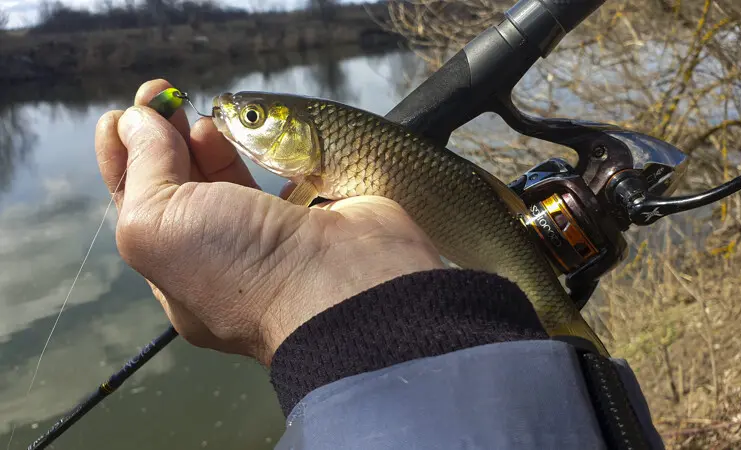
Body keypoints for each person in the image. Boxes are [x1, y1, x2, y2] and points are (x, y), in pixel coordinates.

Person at [95, 79, 665, 450]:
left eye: (250, 117)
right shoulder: (315, 172)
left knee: (548, 309)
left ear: (307, 140)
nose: (231, 118)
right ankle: (579, 357)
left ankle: (569, 336)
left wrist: (280, 292)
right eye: (249, 116)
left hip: (487, 242)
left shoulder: (312, 180)